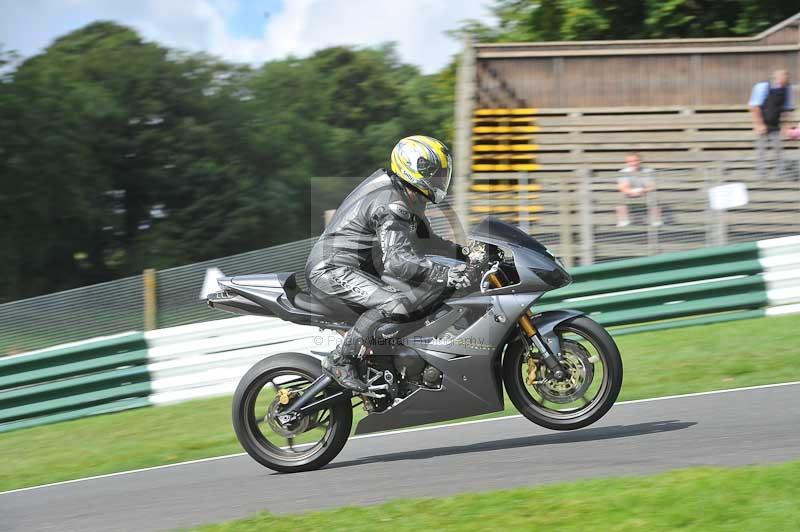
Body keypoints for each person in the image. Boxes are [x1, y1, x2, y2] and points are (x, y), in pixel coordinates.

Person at [305, 135, 475, 391]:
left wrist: (467, 253)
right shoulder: (393, 203)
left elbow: (427, 242)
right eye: (435, 173)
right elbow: (398, 262)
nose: (440, 180)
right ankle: (341, 359)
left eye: (442, 174)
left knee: (421, 298)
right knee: (395, 303)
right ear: (413, 168)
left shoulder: (406, 194)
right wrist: (445, 273)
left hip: (356, 268)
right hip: (332, 269)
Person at [748, 69, 795, 178]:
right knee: (762, 150)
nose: (784, 83)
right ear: (776, 78)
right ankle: (761, 174)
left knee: (778, 149)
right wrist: (759, 124)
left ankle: (780, 173)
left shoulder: (787, 88)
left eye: (786, 81)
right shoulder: (763, 86)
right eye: (782, 80)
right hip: (763, 122)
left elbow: (787, 108)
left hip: (776, 123)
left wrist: (786, 126)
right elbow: (754, 106)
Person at [616, 152, 661, 227]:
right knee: (620, 197)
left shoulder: (648, 171)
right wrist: (631, 192)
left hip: (644, 193)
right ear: (627, 162)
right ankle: (623, 221)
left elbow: (652, 186)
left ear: (640, 161)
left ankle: (655, 221)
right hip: (630, 194)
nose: (633, 163)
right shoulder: (623, 172)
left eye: (635, 160)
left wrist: (642, 191)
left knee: (653, 196)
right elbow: (622, 187)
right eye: (630, 161)